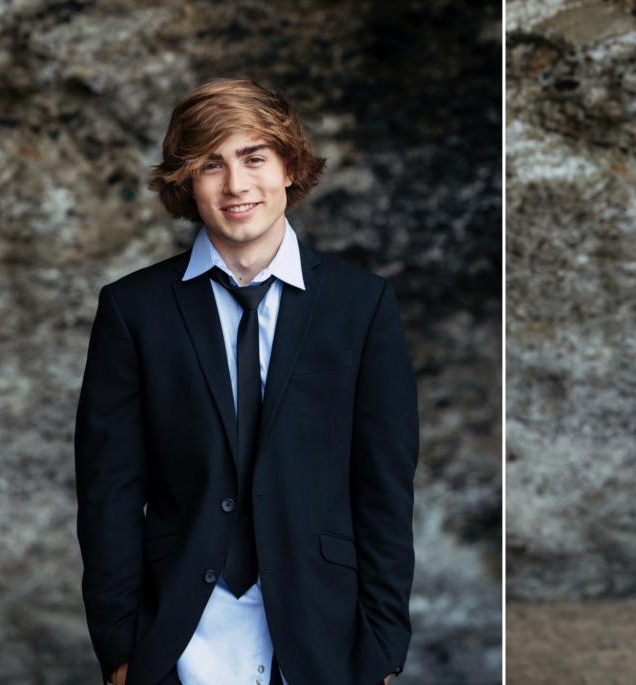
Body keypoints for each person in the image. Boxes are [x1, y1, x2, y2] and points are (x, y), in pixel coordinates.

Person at [75, 79, 418, 685]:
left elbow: (385, 486)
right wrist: (120, 647)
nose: (236, 185)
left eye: (254, 157)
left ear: (288, 166)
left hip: (321, 623)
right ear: (186, 181)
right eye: (211, 164)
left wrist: (384, 647)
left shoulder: (361, 304)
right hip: (180, 623)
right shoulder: (133, 309)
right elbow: (110, 492)